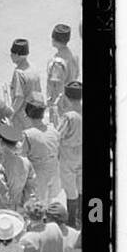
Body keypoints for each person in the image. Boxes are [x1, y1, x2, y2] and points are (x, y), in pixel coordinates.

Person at [20, 96, 63, 204]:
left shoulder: (28, 134)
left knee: (37, 205)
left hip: (38, 175)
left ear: (28, 115)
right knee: (50, 202)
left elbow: (23, 159)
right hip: (54, 171)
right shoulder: (53, 129)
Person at [57, 82, 82, 222]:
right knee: (80, 186)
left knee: (71, 190)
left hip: (68, 155)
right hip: (81, 153)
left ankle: (72, 221)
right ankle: (82, 217)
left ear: (67, 96)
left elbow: (57, 135)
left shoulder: (69, 116)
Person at [7, 39, 44, 118]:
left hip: (22, 117)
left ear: (17, 55)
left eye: (12, 53)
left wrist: (10, 114)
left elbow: (19, 97)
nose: (10, 55)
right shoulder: (33, 68)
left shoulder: (19, 73)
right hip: (34, 114)